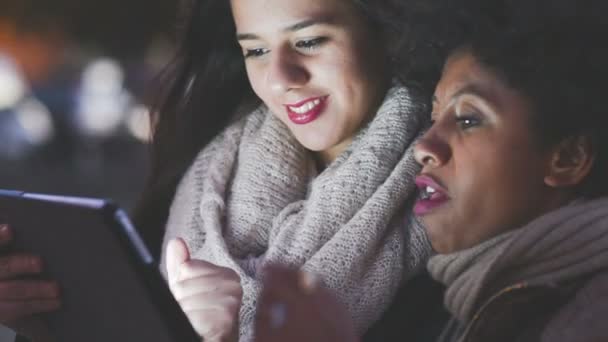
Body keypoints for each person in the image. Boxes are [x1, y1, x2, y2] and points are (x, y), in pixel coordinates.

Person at [0, 0, 445, 341]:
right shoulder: (207, 173)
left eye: (309, 41)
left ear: (386, 34)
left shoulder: (451, 197)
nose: (280, 77)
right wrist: (50, 323)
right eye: (255, 50)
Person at [252, 0, 608, 341]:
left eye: (469, 119)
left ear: (569, 159)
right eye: (434, 118)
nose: (425, 147)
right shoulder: (470, 301)